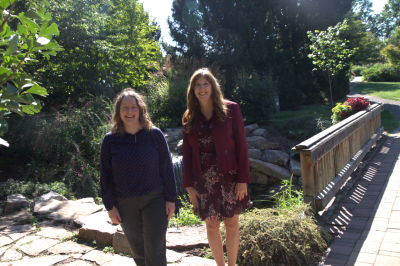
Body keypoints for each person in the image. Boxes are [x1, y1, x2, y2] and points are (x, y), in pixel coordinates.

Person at [182, 68, 252, 266]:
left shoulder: (231, 109)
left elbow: (241, 146)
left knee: (231, 223)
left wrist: (242, 180)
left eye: (206, 84)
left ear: (213, 86)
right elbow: (186, 154)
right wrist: (188, 186)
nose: (202, 88)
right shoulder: (189, 117)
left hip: (230, 177)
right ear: (193, 89)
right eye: (198, 85)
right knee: (212, 225)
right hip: (203, 178)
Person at [100, 88, 177, 266]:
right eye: (124, 107)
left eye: (133, 107)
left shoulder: (154, 135)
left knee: (155, 249)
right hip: (125, 203)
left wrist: (171, 198)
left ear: (140, 109)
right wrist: (110, 206)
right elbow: (105, 174)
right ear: (119, 112)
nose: (129, 111)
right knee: (139, 251)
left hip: (154, 199)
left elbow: (166, 168)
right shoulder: (110, 140)